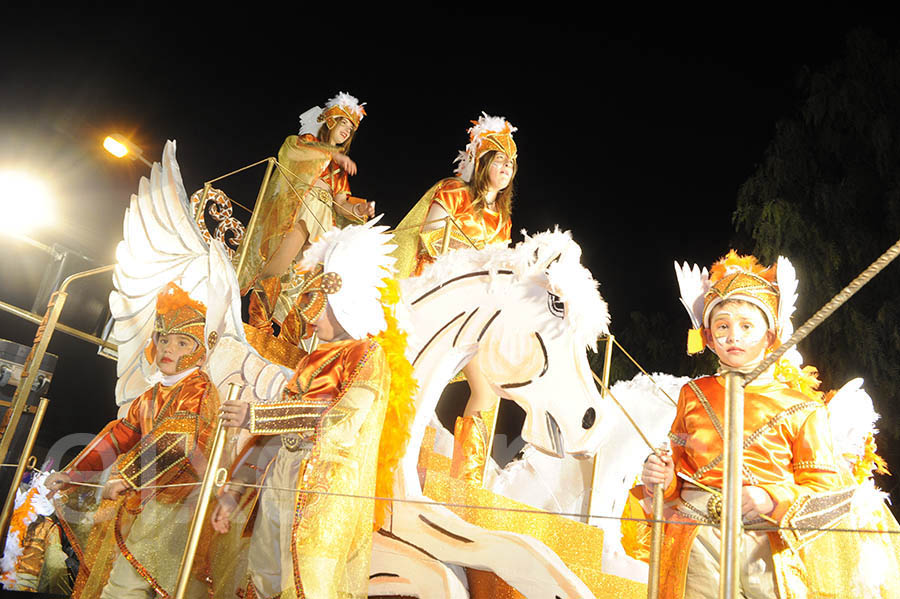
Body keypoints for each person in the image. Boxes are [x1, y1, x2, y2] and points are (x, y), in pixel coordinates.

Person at [638, 250, 898, 599]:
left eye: (747, 326)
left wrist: (770, 498)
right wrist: (663, 477)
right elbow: (679, 466)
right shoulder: (693, 394)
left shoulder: (802, 407)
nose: (734, 336)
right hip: (696, 542)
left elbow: (826, 493)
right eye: (723, 326)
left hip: (769, 544)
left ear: (771, 336)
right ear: (709, 337)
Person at [210, 220, 406, 598]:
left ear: (343, 302)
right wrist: (236, 490)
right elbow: (276, 434)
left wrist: (258, 414)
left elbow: (339, 421)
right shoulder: (311, 360)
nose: (310, 317)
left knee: (307, 582)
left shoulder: (367, 354)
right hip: (284, 473)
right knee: (264, 577)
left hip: (324, 486)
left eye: (319, 305)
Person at [45, 282, 218, 599]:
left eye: (182, 343)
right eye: (164, 340)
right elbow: (119, 436)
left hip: (181, 506)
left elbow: (180, 442)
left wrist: (129, 477)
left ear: (202, 350)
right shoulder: (151, 395)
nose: (168, 350)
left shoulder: (199, 389)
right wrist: (75, 474)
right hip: (149, 505)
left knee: (134, 587)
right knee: (129, 586)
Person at [392, 113, 517, 488]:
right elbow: (431, 236)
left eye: (511, 164)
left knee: (486, 388)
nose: (506, 168)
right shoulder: (453, 190)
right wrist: (477, 257)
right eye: (499, 160)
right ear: (481, 162)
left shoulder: (503, 219)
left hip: (472, 311)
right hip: (435, 297)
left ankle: (466, 480)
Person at [239, 92, 375, 342]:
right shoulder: (309, 142)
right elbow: (292, 150)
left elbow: (341, 203)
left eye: (351, 128)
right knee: (278, 267)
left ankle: (290, 339)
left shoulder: (338, 169)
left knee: (312, 282)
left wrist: (359, 210)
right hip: (300, 209)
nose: (347, 130)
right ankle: (258, 328)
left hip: (323, 219)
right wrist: (331, 153)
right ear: (330, 121)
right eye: (343, 122)